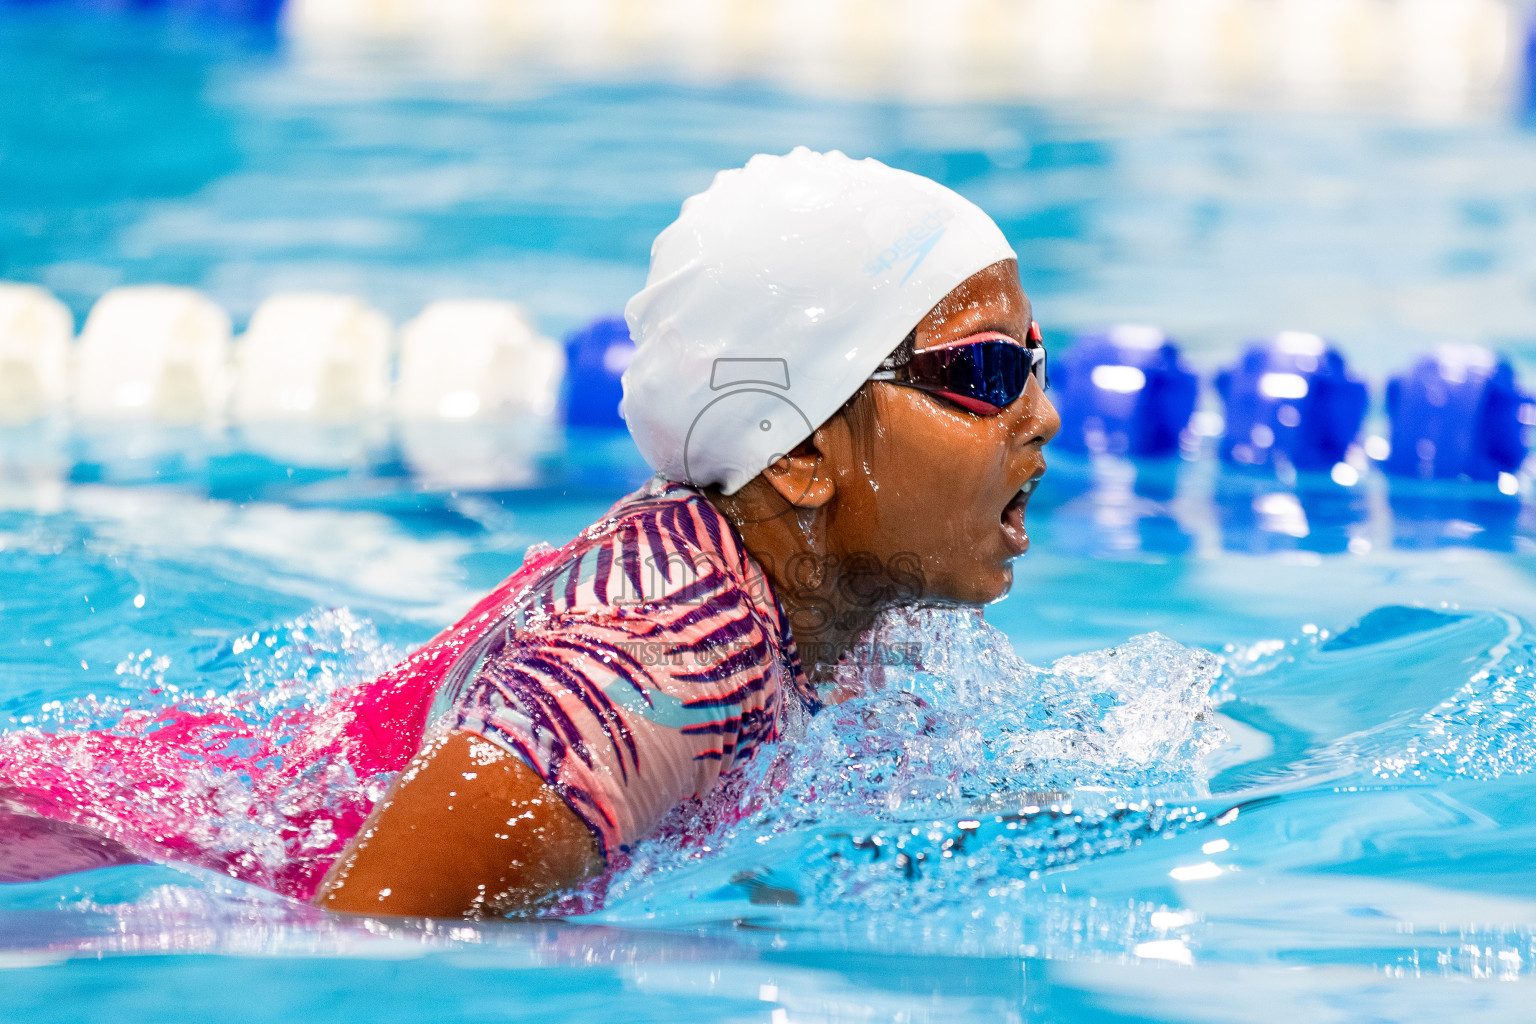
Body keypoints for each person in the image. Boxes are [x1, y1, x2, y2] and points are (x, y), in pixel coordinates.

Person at [314, 148, 1059, 917]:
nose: (1044, 415)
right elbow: (364, 938)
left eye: (1037, 362)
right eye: (985, 373)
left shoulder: (839, 597)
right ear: (800, 449)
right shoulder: (667, 655)